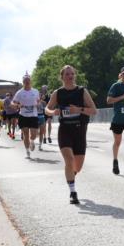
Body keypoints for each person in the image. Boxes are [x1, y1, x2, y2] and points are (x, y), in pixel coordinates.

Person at [46, 65, 96, 204]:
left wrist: (78, 109)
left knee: (77, 167)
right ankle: (73, 192)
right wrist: (52, 112)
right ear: (62, 77)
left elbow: (93, 110)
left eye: (72, 74)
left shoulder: (82, 91)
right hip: (65, 130)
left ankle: (70, 176)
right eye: (67, 74)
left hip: (80, 130)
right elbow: (47, 109)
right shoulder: (58, 93)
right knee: (69, 160)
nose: (70, 76)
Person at [12, 74, 43, 159]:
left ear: (30, 81)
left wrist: (38, 104)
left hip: (33, 115)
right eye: (25, 81)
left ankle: (32, 141)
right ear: (23, 82)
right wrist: (17, 105)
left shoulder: (35, 91)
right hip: (23, 116)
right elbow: (13, 102)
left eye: (28, 80)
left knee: (34, 134)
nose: (27, 82)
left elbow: (38, 101)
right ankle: (27, 151)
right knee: (25, 134)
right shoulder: (19, 92)